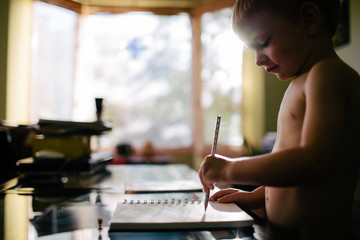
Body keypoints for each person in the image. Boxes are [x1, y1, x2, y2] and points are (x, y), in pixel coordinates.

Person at [198, 0, 360, 239]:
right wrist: (256, 196)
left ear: (309, 19)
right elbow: (296, 176)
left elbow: (315, 162)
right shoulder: (301, 81)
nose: (258, 60)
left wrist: (230, 169)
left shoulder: (327, 74)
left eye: (263, 43)